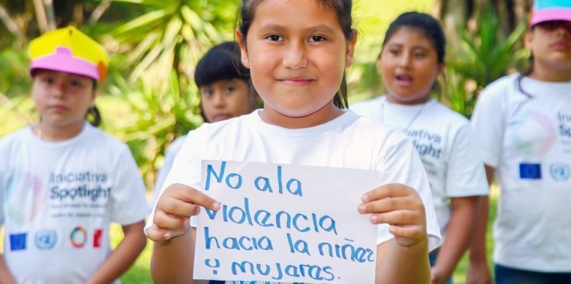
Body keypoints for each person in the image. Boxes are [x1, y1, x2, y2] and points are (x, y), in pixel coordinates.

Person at [145, 0, 442, 283]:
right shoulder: (208, 146)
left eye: (317, 38)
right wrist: (174, 233)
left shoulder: (385, 149)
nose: (295, 59)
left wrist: (410, 244)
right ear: (244, 47)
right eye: (275, 37)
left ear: (349, 47)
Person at [0, 26, 149, 283]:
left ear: (94, 95)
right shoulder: (8, 150)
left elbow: (136, 233)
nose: (60, 92)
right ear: (32, 87)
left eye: (75, 83)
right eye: (48, 81)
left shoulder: (113, 153)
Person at [351, 12, 488, 284]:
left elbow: (465, 207)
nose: (405, 63)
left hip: (426, 258)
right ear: (380, 60)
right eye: (395, 51)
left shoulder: (455, 128)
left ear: (439, 68)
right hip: (355, 251)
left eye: (419, 54)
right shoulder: (354, 116)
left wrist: (441, 270)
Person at [468, 0, 571, 283]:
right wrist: (477, 260)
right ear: (529, 37)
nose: (562, 34)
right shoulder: (499, 97)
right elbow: (478, 184)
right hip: (520, 261)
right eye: (551, 25)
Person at [151, 41, 256, 206]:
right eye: (208, 92)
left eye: (229, 89)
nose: (218, 102)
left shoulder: (268, 144)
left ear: (253, 91)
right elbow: (160, 211)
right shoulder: (182, 148)